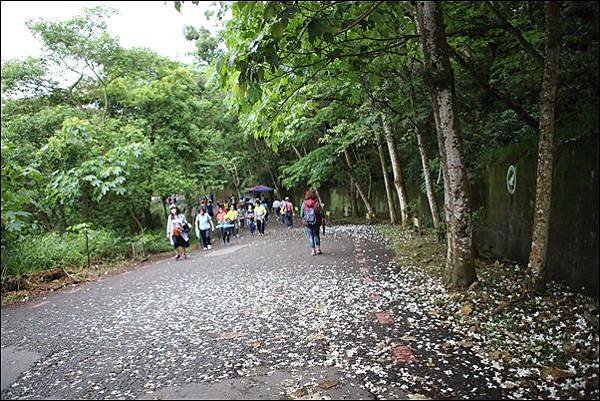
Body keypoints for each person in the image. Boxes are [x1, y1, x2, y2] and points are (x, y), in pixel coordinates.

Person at [300, 189, 322, 256]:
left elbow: (301, 214)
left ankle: (313, 251)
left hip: (308, 223)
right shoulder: (316, 203)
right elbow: (320, 212)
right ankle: (318, 249)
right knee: (316, 235)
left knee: (310, 236)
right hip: (316, 222)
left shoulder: (304, 203)